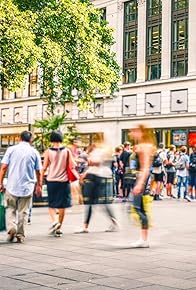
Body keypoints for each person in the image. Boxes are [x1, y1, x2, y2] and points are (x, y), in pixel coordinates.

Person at [0, 131, 42, 243]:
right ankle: (20, 235)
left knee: (10, 209)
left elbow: (3, 167)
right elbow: (38, 171)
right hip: (27, 187)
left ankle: (11, 228)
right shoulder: (34, 152)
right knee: (23, 212)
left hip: (11, 186)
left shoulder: (11, 150)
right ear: (31, 140)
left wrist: (0, 183)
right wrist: (39, 185)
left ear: (19, 138)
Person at [78, 137, 120, 233]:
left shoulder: (99, 151)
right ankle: (86, 226)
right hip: (99, 177)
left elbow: (96, 163)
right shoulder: (100, 151)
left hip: (97, 178)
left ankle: (114, 223)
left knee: (94, 203)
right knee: (94, 203)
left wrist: (86, 162)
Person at [41, 130, 76, 237]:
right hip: (64, 181)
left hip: (51, 180)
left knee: (51, 204)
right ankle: (59, 227)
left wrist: (40, 179)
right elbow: (72, 165)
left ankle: (54, 221)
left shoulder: (48, 151)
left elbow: (44, 167)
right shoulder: (67, 151)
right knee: (62, 206)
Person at [128, 124, 156, 248]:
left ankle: (143, 239)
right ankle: (143, 238)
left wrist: (140, 184)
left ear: (141, 132)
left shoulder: (144, 146)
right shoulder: (144, 146)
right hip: (142, 179)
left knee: (138, 208)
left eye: (134, 131)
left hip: (141, 179)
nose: (131, 133)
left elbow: (145, 168)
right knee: (138, 208)